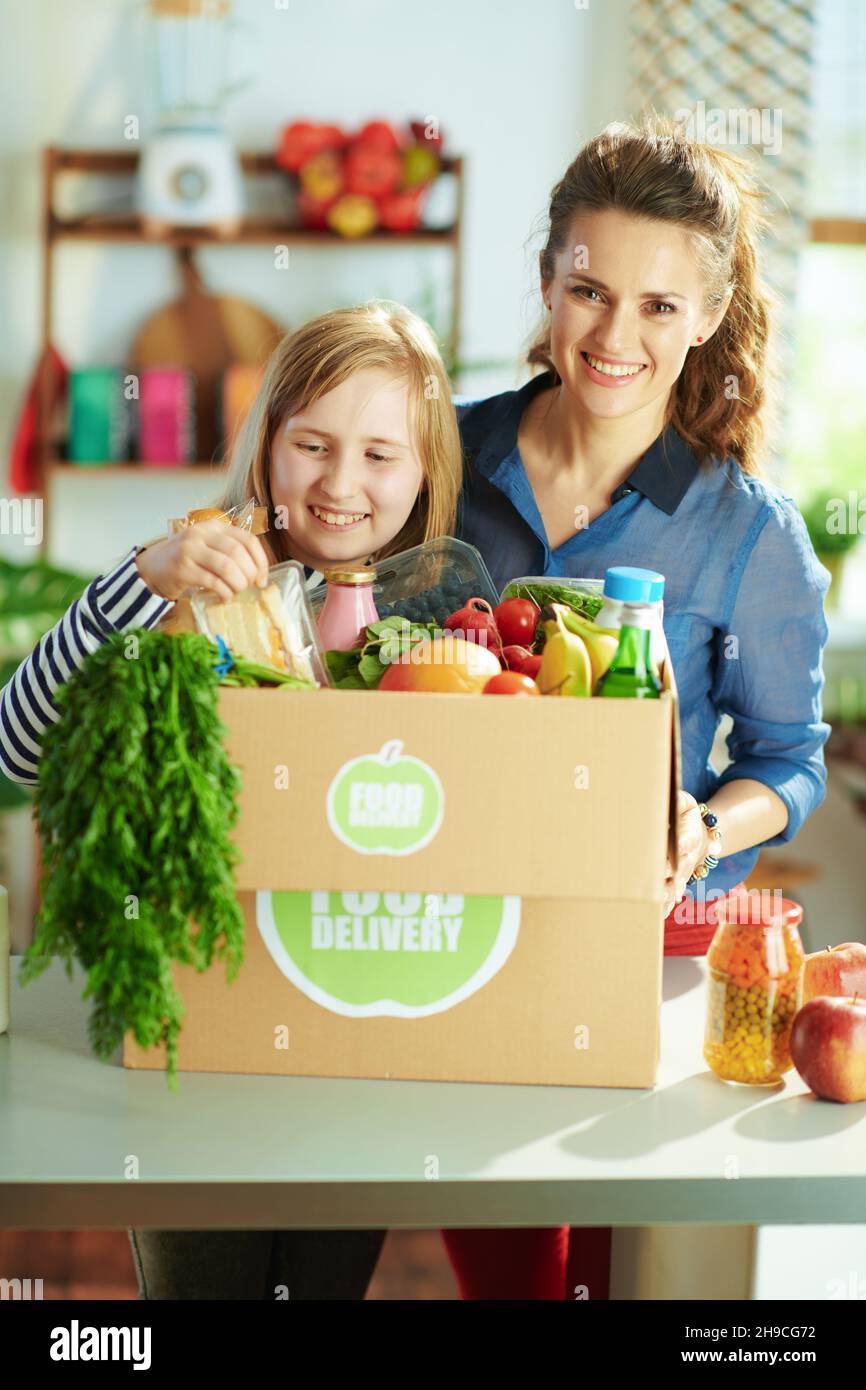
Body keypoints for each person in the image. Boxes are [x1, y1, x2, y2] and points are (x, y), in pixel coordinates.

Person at [0, 300, 463, 1300]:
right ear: (266, 446)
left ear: (426, 469)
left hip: (361, 1038)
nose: (340, 485)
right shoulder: (191, 583)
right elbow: (19, 744)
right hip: (193, 1042)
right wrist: (139, 582)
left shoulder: (447, 629)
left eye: (381, 455)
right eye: (311, 443)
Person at [441, 115, 832, 1300]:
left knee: (590, 1273)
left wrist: (705, 827)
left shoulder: (746, 532)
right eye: (588, 290)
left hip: (640, 951)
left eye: (660, 307)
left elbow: (787, 762)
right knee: (506, 1270)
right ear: (547, 280)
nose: (614, 337)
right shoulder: (440, 460)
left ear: (706, 316)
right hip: (447, 920)